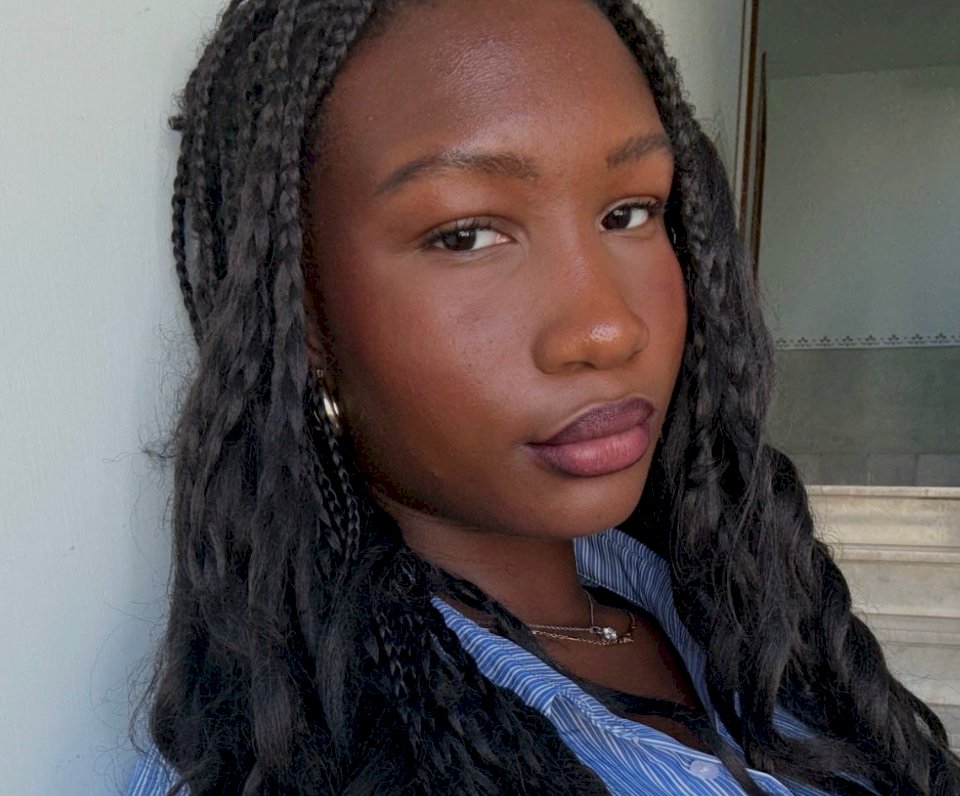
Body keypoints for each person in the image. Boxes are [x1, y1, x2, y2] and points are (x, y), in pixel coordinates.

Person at [126, 0, 960, 794]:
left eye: (630, 213)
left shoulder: (725, 598)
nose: (608, 329)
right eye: (466, 235)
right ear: (302, 316)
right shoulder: (286, 766)